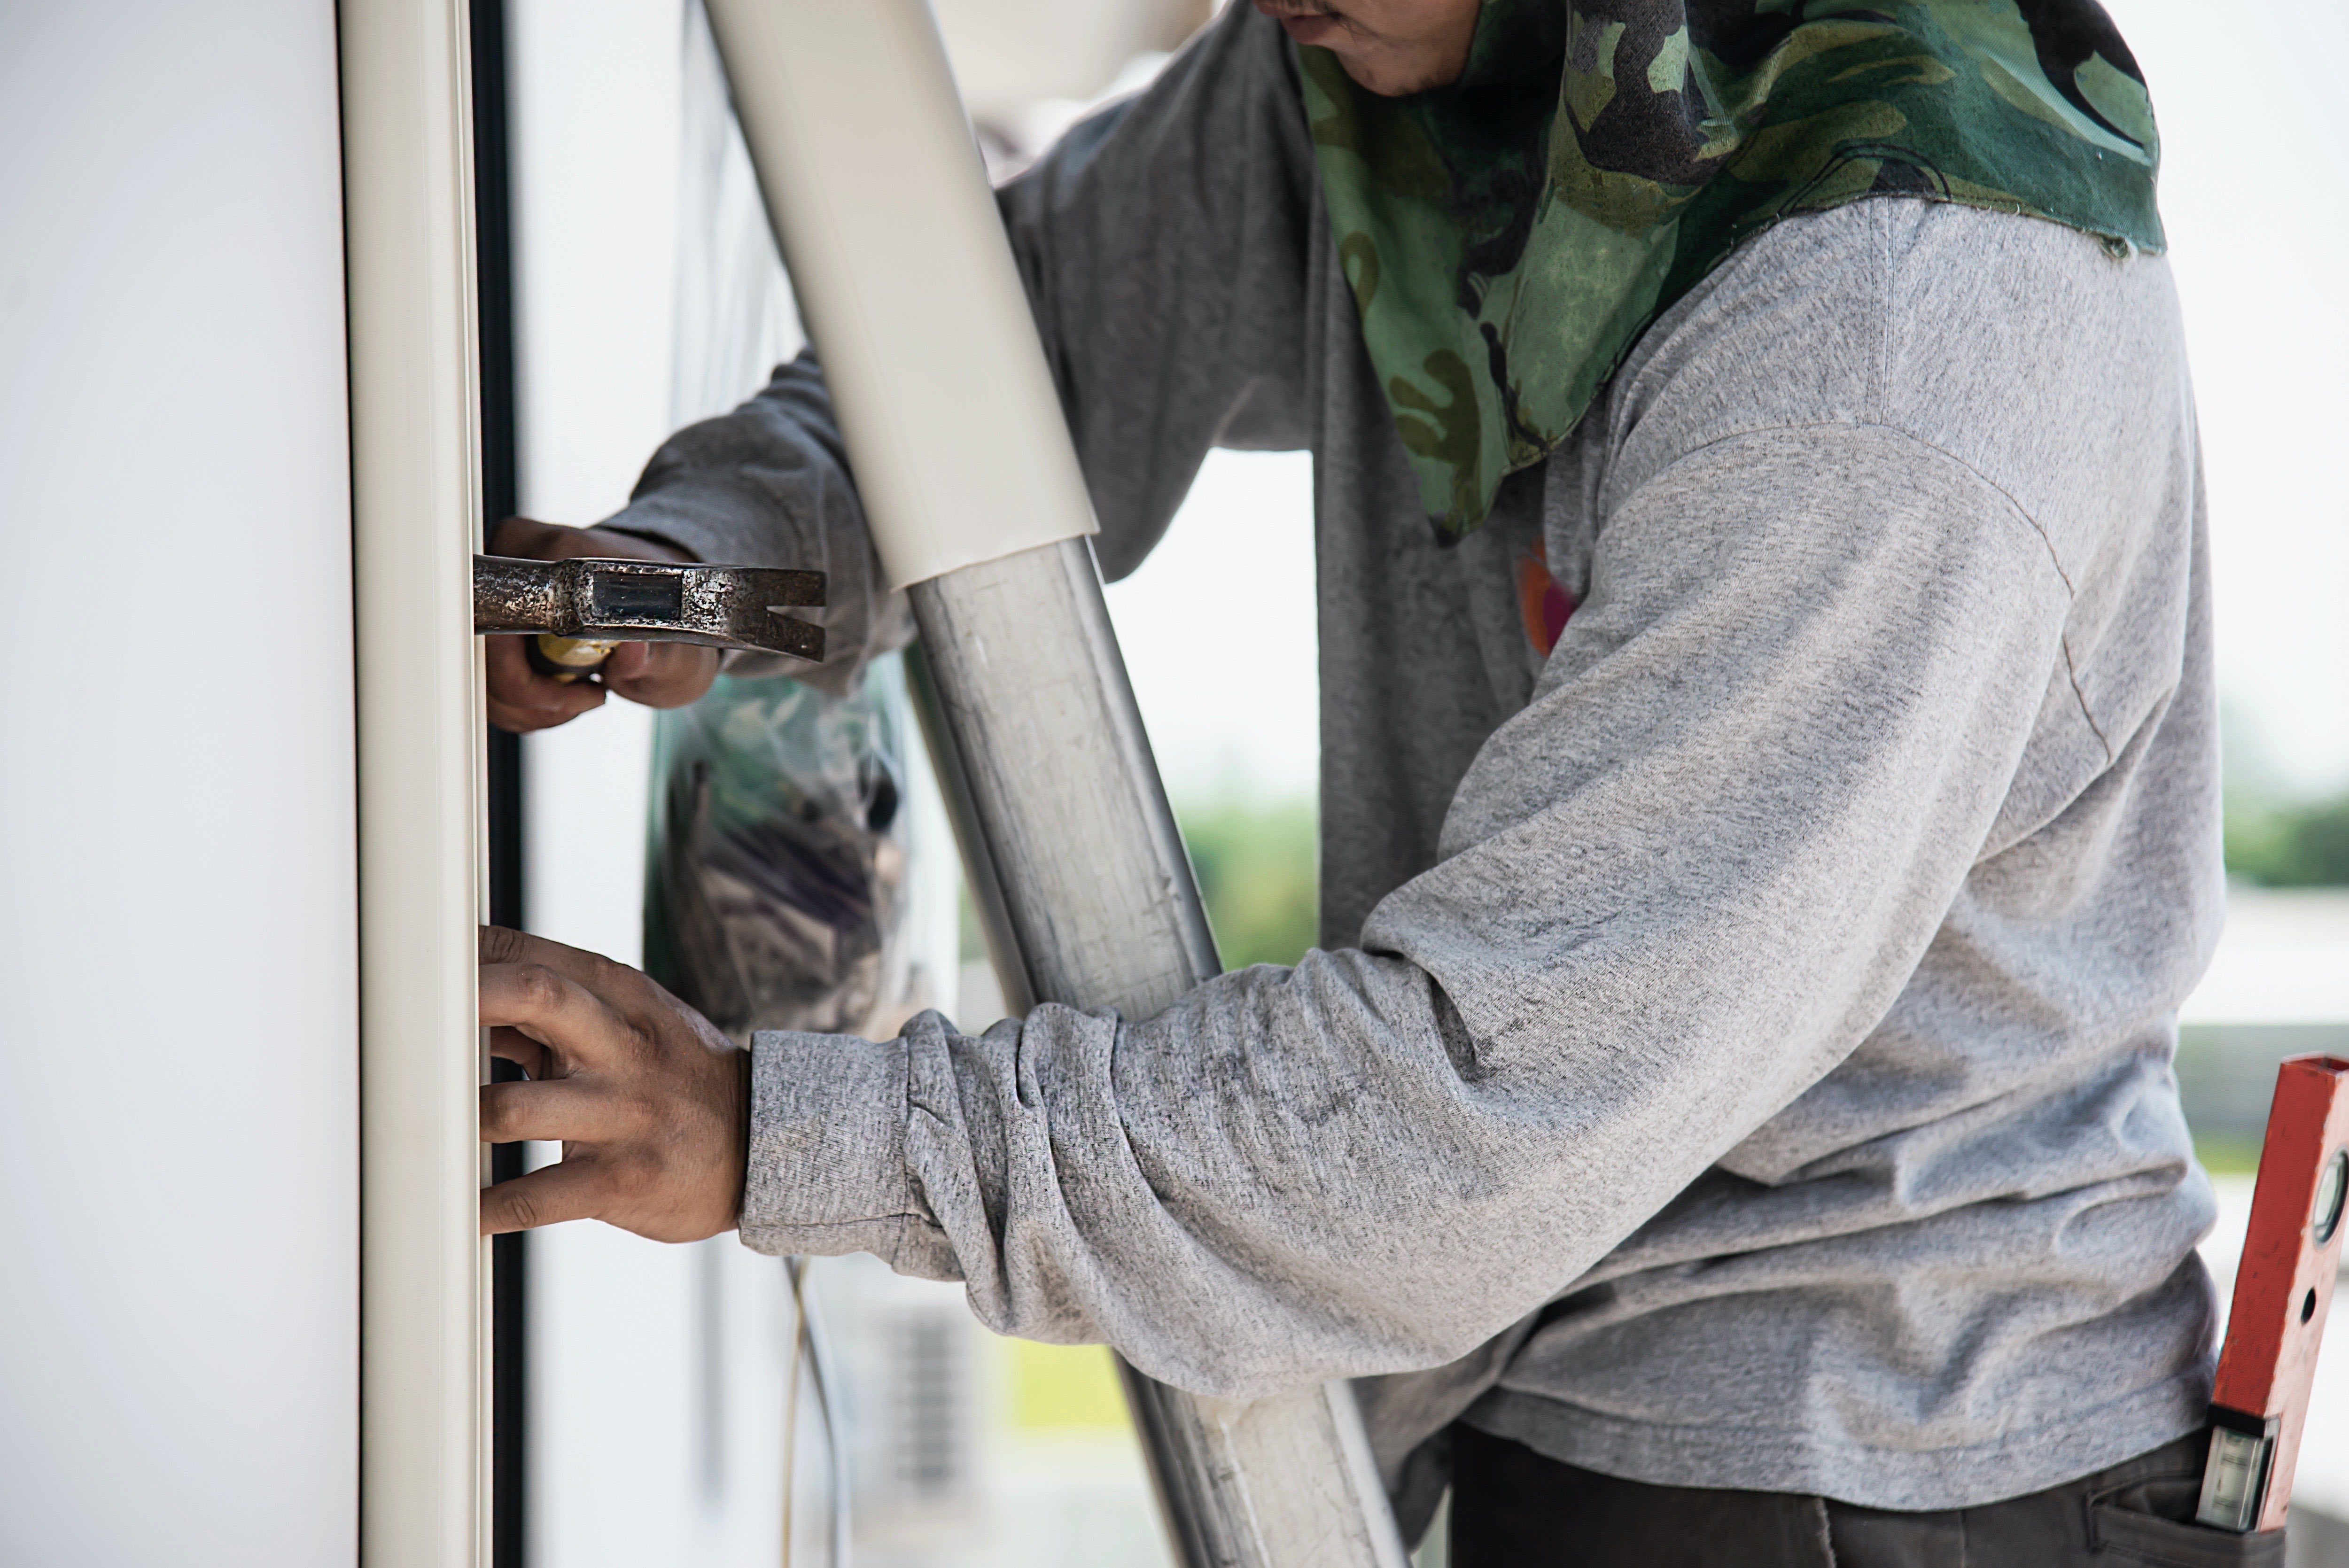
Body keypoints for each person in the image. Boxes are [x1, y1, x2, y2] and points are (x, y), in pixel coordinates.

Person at [477, 1, 2243, 1560]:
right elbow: (981, 367)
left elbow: (1483, 1112)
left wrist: (777, 1136)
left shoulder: (1889, 346)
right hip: (1599, 1408)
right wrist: (680, 572)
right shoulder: (1395, 60)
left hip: (1882, 1470)